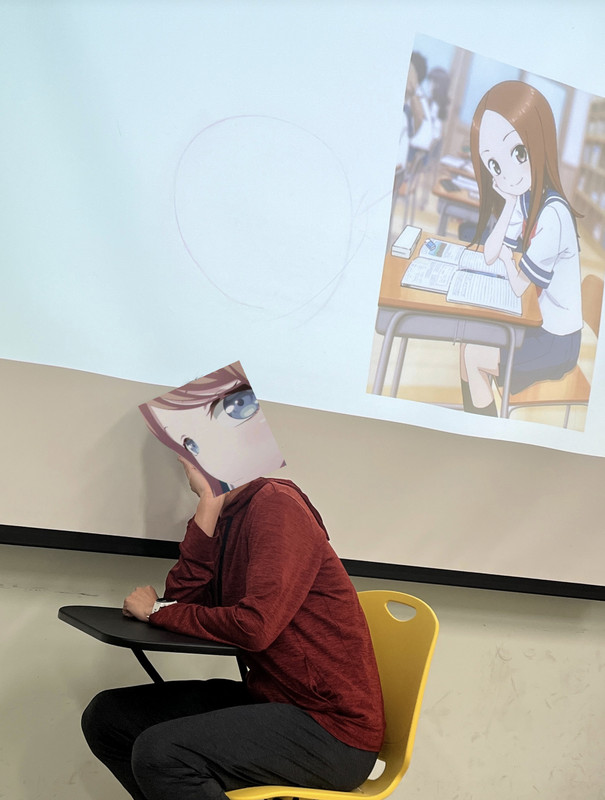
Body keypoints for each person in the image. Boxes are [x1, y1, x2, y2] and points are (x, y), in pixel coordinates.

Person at [81, 457, 385, 800]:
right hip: (273, 700)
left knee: (163, 755)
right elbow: (183, 599)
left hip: (333, 729)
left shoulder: (278, 505)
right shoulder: (228, 516)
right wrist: (208, 508)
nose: (185, 462)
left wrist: (157, 611)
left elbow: (256, 627)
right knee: (108, 719)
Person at [461, 81, 583, 415]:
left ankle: (480, 430)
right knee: (468, 342)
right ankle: (475, 418)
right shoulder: (527, 197)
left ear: (539, 142)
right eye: (495, 166)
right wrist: (511, 201)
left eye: (517, 153)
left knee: (473, 354)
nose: (507, 174)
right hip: (535, 321)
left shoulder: (554, 214)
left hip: (556, 341)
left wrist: (505, 260)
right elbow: (491, 252)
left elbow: (517, 286)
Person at [139, 361, 285, 495]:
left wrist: (208, 497)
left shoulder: (273, 496)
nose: (217, 445)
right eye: (191, 444)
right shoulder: (224, 508)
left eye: (240, 404)